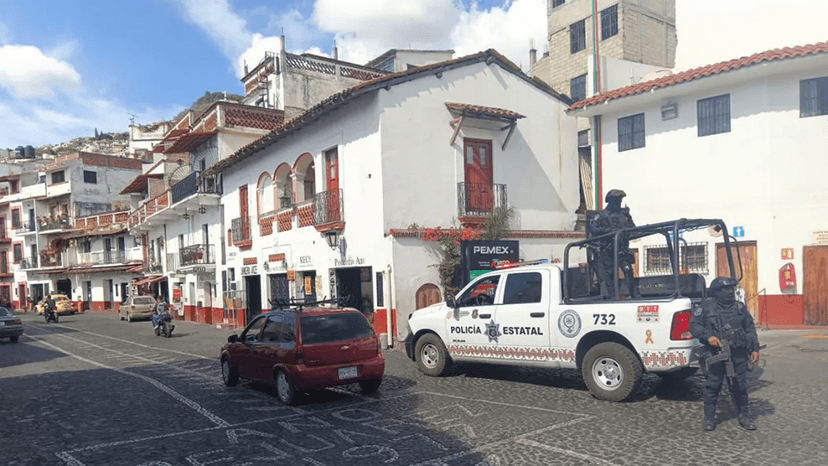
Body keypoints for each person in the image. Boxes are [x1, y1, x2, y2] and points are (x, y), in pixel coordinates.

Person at [690, 277, 761, 432]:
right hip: (715, 352)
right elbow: (694, 326)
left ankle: (744, 416)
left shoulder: (739, 307)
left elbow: (749, 328)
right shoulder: (706, 307)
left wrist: (755, 348)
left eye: (731, 289)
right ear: (717, 291)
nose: (729, 292)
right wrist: (709, 337)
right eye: (726, 289)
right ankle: (709, 418)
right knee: (712, 386)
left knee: (740, 386)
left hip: (738, 354)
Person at [587, 189, 636, 298]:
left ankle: (634, 295)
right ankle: (614, 296)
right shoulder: (601, 215)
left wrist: (629, 217)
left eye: (620, 201)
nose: (619, 204)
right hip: (607, 249)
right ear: (610, 202)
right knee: (610, 273)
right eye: (616, 201)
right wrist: (607, 231)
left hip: (622, 249)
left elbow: (633, 228)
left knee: (628, 270)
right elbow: (592, 228)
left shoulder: (623, 215)